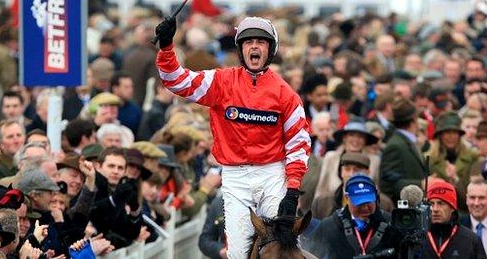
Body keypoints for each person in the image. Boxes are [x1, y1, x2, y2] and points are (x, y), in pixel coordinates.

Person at [155, 16, 311, 257]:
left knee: (286, 249)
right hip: (235, 177)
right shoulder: (220, 81)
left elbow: (298, 145)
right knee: (237, 253)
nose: (255, 47)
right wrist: (166, 46)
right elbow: (176, 81)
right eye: (249, 42)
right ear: (241, 49)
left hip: (272, 174)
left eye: (261, 41)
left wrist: (292, 190)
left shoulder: (286, 94)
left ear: (270, 50)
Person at [307, 174, 401, 258]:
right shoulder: (330, 226)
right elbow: (308, 251)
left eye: (368, 201)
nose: (365, 207)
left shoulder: (392, 223)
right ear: (347, 199)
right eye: (359, 202)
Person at [420, 181, 486, 259]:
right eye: (431, 204)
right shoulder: (418, 238)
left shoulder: (471, 240)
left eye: (441, 203)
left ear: (452, 207)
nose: (435, 209)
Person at [380, 98, 426, 203]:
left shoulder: (407, 142)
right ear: (414, 120)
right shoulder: (395, 146)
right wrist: (421, 184)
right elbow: (389, 185)